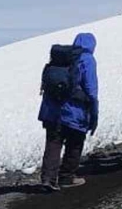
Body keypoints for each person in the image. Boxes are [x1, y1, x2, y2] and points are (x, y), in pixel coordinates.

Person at [37, 32, 99, 190]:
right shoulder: (87, 60)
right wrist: (94, 113)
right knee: (75, 143)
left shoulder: (60, 58)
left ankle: (48, 179)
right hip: (75, 111)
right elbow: (91, 90)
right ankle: (67, 177)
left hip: (51, 111)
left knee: (53, 143)